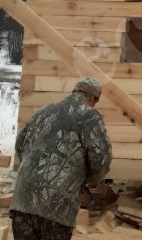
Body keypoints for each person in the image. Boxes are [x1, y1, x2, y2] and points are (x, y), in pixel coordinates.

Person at [10, 77, 112, 240]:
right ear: (93, 98)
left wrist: (33, 170)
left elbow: (20, 143)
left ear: (75, 91)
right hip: (56, 207)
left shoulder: (44, 111)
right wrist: (87, 180)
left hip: (22, 202)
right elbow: (101, 160)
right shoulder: (90, 116)